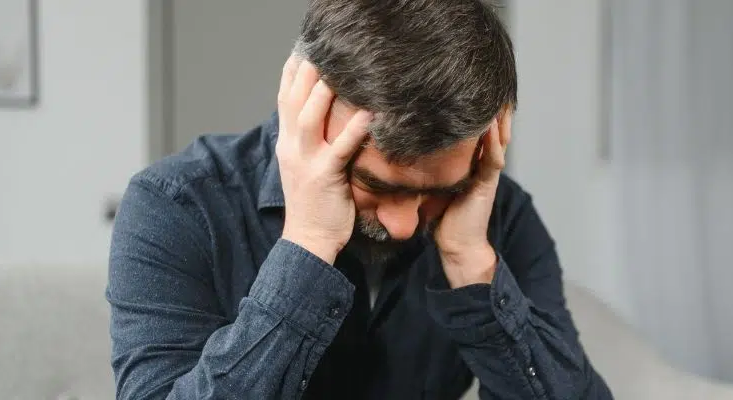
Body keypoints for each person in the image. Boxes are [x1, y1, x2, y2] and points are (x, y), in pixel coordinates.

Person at [106, 0, 612, 398]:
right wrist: (308, 245)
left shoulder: (502, 216)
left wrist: (472, 268)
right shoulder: (177, 206)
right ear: (304, 105)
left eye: (439, 190)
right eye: (378, 185)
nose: (404, 226)